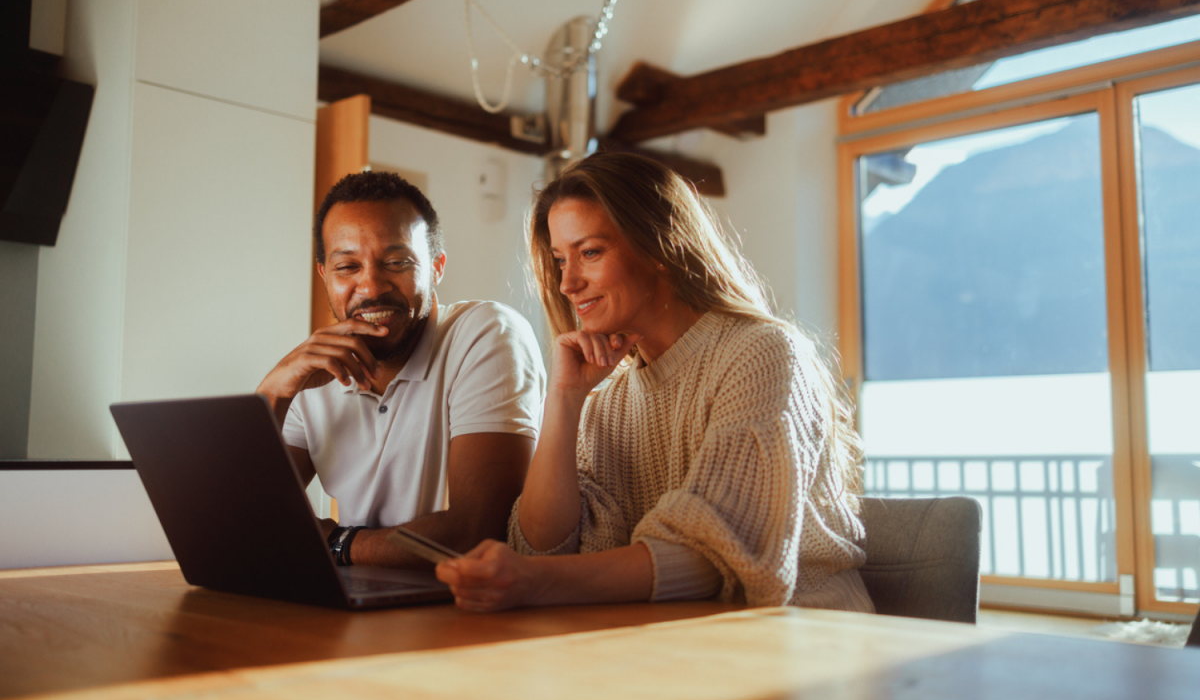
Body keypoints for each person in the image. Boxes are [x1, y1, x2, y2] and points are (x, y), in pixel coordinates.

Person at [436, 152, 874, 613]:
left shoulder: (760, 353)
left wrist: (534, 582)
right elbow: (542, 548)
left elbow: (711, 560)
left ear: (660, 248)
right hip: (680, 642)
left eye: (590, 253)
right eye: (560, 260)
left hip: (810, 639)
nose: (568, 284)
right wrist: (564, 400)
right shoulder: (607, 400)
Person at [257, 171, 545, 568]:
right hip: (356, 601)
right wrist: (273, 392)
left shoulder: (486, 333)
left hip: (460, 609)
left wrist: (336, 544)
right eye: (347, 267)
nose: (371, 286)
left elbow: (477, 533)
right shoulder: (313, 371)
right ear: (325, 274)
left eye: (396, 262)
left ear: (437, 266)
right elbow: (244, 519)